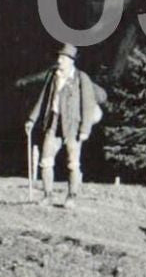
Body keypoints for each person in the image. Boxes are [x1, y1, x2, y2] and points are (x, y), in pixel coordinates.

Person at [23, 44, 105, 206]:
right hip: (53, 123)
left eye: (62, 58)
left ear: (71, 61)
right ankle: (48, 196)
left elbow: (87, 105)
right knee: (46, 159)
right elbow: (43, 99)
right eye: (59, 57)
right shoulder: (53, 76)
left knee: (73, 162)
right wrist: (32, 119)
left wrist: (85, 130)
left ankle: (71, 197)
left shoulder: (81, 78)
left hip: (73, 127)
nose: (59, 60)